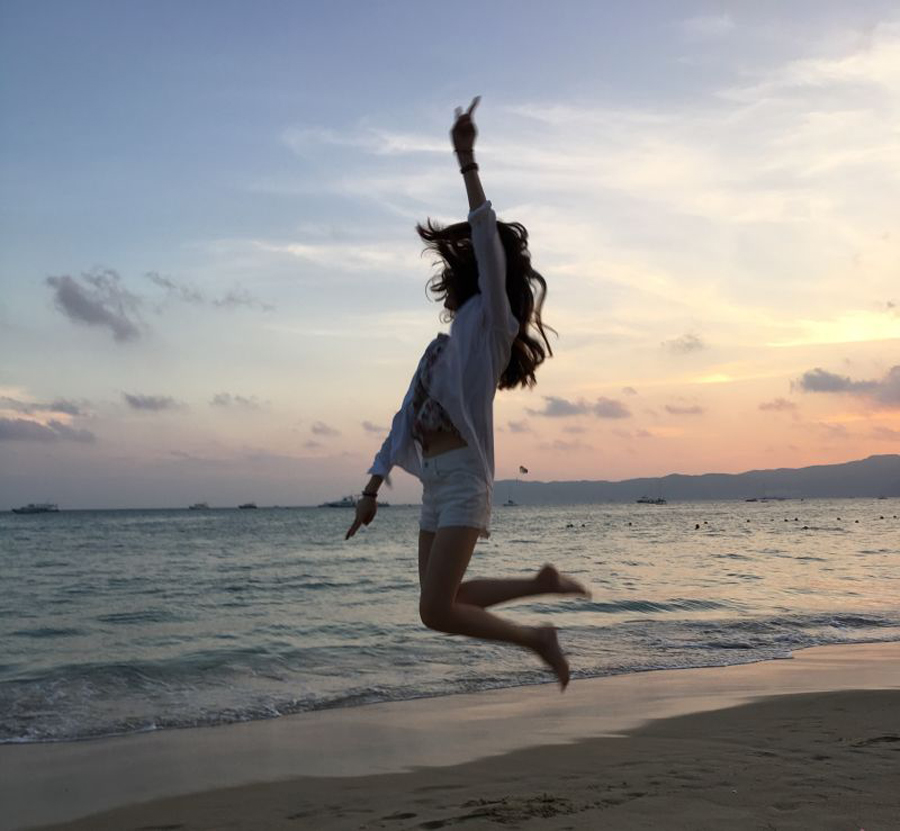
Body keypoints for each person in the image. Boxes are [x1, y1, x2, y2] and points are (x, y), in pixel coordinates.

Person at [346, 97, 589, 690]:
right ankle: (540, 584)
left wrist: (466, 159)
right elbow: (403, 420)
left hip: (464, 479)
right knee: (439, 603)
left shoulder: (494, 328)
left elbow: (484, 236)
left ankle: (538, 639)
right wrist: (372, 489)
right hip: (435, 482)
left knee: (435, 610)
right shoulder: (439, 350)